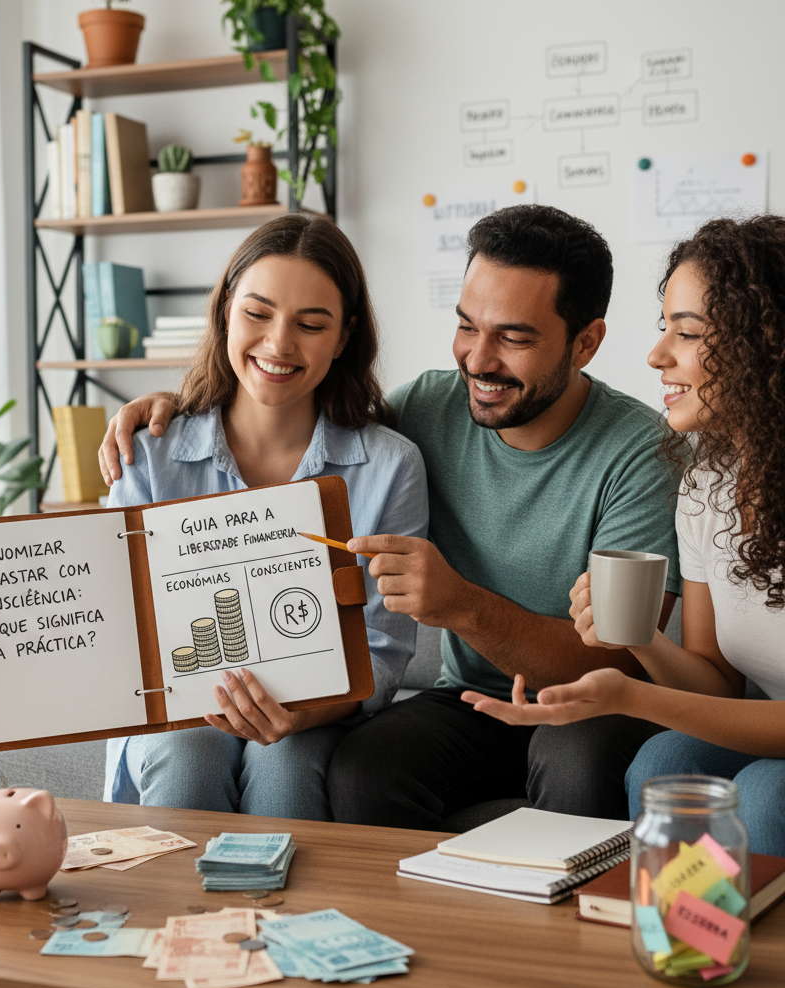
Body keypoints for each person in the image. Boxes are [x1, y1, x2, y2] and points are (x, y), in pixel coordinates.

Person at [100, 205, 682, 827]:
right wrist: (175, 405)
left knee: (575, 763)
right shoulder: (429, 409)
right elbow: (304, 406)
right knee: (362, 772)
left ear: (586, 342)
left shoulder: (641, 453)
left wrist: (459, 604)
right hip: (469, 699)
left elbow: (619, 662)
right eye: (466, 326)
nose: (478, 361)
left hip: (590, 705)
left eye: (514, 338)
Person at [0, 214, 429, 822]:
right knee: (188, 756)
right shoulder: (149, 450)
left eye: (311, 324)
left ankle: (289, 920)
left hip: (314, 719)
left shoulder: (392, 465)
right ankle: (167, 919)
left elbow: (382, 648)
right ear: (224, 314)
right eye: (257, 314)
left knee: (286, 763)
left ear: (343, 337)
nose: (279, 344)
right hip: (174, 712)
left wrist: (302, 714)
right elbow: (102, 613)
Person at [462, 216, 785, 855]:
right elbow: (717, 685)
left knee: (769, 798)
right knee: (660, 763)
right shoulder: (705, 481)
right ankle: (678, 942)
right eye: (664, 326)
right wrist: (639, 641)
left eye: (687, 333)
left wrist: (629, 694)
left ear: (767, 346)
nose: (656, 354)